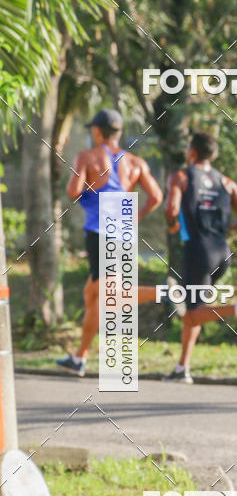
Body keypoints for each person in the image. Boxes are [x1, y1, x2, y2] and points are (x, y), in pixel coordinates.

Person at [57, 108, 164, 377]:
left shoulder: (88, 156)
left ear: (96, 131)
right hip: (123, 229)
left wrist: (90, 193)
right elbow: (156, 196)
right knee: (92, 294)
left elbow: (73, 190)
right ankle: (80, 358)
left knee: (108, 294)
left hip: (99, 231)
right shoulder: (136, 162)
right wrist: (134, 217)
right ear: (117, 132)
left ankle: (166, 293)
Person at [162, 131, 237, 384]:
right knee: (196, 309)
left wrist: (173, 225)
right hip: (221, 252)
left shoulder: (181, 177)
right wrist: (226, 228)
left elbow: (171, 209)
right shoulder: (226, 182)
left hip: (197, 252)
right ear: (213, 154)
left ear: (193, 152)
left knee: (188, 314)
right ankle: (182, 368)